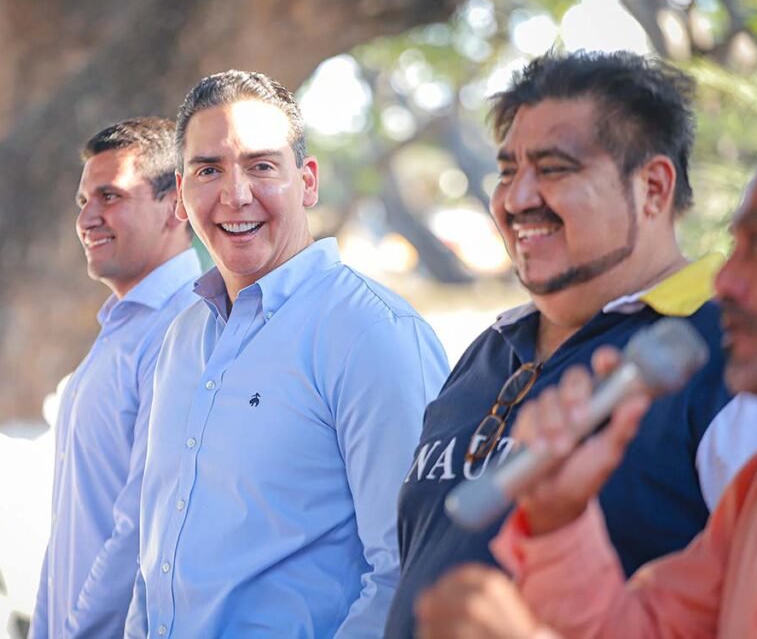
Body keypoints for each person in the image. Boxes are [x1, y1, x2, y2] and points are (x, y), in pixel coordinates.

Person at [385, 51, 757, 638]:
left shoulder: (732, 363)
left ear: (654, 188)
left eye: (554, 168)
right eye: (507, 171)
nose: (517, 198)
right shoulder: (488, 350)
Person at [124, 70, 450, 638]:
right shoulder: (181, 339)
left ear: (308, 181)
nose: (235, 194)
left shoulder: (372, 334)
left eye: (261, 165)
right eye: (208, 170)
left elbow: (414, 571)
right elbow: (156, 559)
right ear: (180, 194)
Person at [30, 118, 200, 639]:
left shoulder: (184, 326)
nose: (87, 218)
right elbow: (72, 528)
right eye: (83, 201)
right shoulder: (124, 324)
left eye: (110, 196)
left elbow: (140, 528)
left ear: (176, 206)